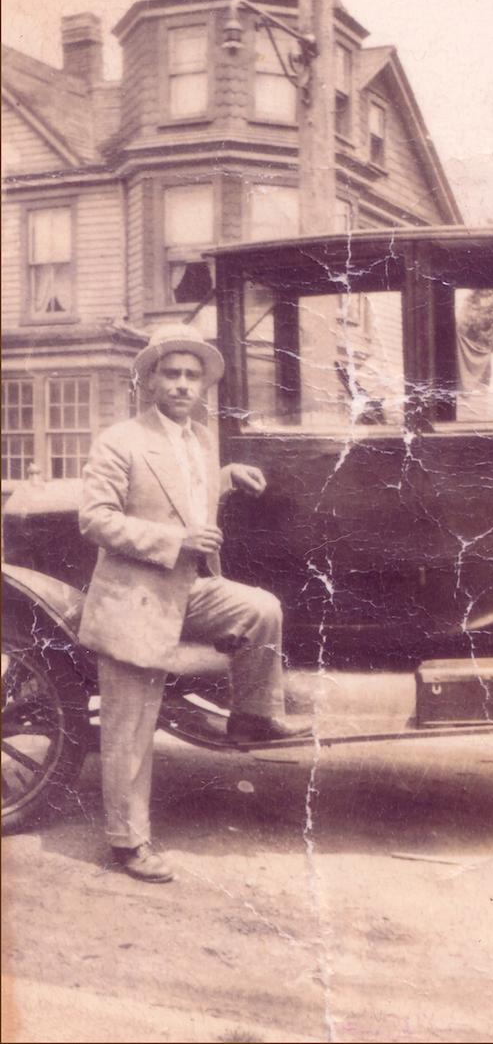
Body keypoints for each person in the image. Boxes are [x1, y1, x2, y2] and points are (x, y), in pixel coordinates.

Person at [78, 322, 310, 883]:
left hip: (192, 592)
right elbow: (94, 518)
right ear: (150, 380)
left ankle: (252, 718)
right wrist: (175, 542)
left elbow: (185, 492)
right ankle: (127, 844)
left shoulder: (200, 441)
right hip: (136, 599)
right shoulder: (120, 440)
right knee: (130, 726)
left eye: (192, 376)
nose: (182, 384)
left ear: (203, 387)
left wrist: (227, 477)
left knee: (260, 609)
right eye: (171, 373)